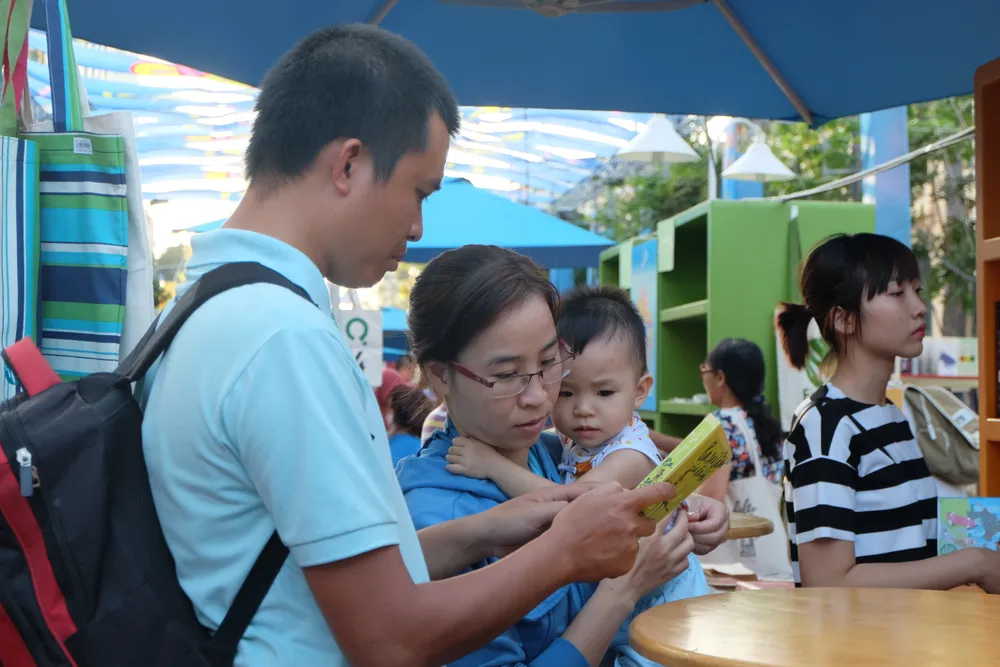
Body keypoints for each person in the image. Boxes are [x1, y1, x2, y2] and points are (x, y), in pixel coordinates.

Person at [140, 25, 676, 667]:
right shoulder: (282, 339)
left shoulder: (203, 304)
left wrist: (489, 529)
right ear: (349, 164)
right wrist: (563, 554)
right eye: (419, 190)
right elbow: (388, 639)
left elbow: (307, 577)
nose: (418, 226)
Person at [396, 247, 729, 667]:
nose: (539, 397)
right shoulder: (439, 511)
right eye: (506, 375)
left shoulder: (555, 451)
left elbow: (623, 490)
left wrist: (687, 508)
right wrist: (624, 591)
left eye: (550, 363)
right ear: (440, 375)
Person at [778, 233, 1000, 591]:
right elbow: (827, 582)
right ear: (843, 320)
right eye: (897, 294)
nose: (919, 307)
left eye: (917, 291)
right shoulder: (825, 426)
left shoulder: (891, 414)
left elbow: (909, 543)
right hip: (864, 630)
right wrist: (974, 564)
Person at [697, 339, 783, 501]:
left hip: (733, 518)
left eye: (704, 370)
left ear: (720, 377)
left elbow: (710, 498)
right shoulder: (766, 423)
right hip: (767, 517)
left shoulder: (721, 424)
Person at [387, 383, 435, 467]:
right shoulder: (426, 447)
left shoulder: (388, 445)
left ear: (397, 413)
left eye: (390, 409)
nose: (388, 413)